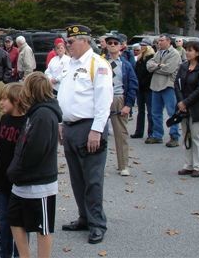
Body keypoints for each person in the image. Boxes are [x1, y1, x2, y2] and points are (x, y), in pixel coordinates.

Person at [58, 25, 112, 245]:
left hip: (89, 127)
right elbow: (66, 95)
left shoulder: (97, 64)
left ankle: (97, 223)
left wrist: (96, 130)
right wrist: (62, 122)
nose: (67, 46)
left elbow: (103, 101)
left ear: (84, 41)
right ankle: (84, 217)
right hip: (71, 127)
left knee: (92, 179)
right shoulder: (70, 64)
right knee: (77, 178)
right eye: (67, 42)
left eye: (71, 42)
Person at [7, 72, 62, 258]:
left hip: (39, 182)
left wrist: (18, 169)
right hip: (23, 181)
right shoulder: (35, 112)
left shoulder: (44, 115)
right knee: (15, 219)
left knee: (42, 227)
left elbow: (36, 150)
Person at [0, 82, 26, 258]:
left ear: (17, 100)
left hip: (18, 181)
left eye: (5, 99)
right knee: (4, 220)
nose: (1, 102)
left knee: (19, 221)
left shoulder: (27, 123)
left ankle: (20, 253)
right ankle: (4, 252)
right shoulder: (4, 119)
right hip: (2, 178)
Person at [105, 34, 138, 176]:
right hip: (103, 99)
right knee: (98, 134)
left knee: (121, 134)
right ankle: (97, 165)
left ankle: (123, 165)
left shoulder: (126, 64)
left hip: (119, 98)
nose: (112, 45)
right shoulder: (101, 62)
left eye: (115, 43)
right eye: (109, 43)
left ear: (120, 46)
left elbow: (133, 85)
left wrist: (128, 105)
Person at [145, 34, 182, 147]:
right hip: (155, 86)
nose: (159, 43)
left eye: (161, 40)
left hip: (168, 86)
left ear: (168, 41)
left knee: (172, 112)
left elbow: (169, 69)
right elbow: (148, 65)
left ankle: (174, 136)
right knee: (155, 113)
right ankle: (157, 135)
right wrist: (160, 65)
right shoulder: (158, 52)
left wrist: (155, 67)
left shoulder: (174, 54)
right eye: (158, 41)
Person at [174, 40, 199, 177]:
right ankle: (188, 165)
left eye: (190, 50)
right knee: (186, 136)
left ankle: (198, 166)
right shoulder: (183, 66)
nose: (187, 52)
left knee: (197, 137)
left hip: (197, 107)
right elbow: (177, 84)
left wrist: (186, 102)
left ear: (197, 52)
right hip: (183, 107)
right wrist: (180, 102)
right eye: (187, 49)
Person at [131, 41, 155, 139]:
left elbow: (150, 73)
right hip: (140, 87)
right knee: (140, 111)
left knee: (150, 111)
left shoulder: (152, 57)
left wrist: (143, 82)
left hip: (148, 87)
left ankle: (151, 133)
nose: (142, 47)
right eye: (141, 46)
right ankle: (139, 132)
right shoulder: (140, 58)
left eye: (144, 45)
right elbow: (136, 71)